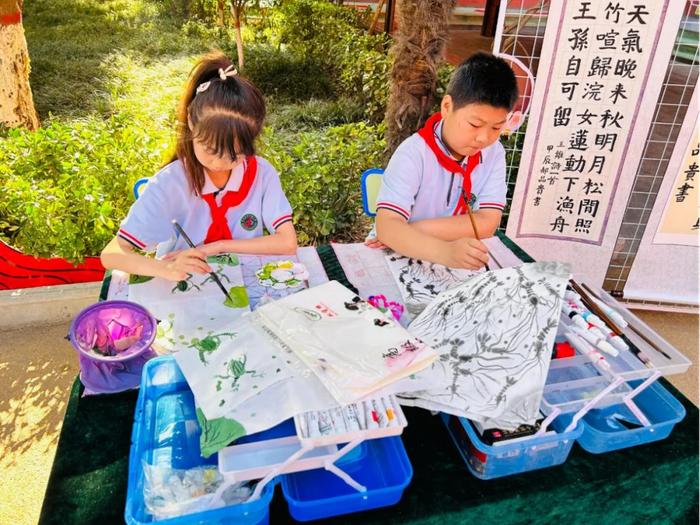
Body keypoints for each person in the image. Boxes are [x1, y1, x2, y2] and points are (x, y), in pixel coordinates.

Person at [101, 52, 297, 281]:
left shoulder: (262, 174)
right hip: (183, 289)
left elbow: (287, 241)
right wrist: (167, 269)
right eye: (212, 150)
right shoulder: (170, 183)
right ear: (192, 123)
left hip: (242, 285)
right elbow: (113, 254)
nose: (221, 163)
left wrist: (217, 247)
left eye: (235, 155)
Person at [367, 52, 518, 270]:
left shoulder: (493, 154)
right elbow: (387, 227)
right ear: (447, 107)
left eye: (496, 127)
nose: (484, 138)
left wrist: (410, 230)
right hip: (402, 256)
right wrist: (443, 251)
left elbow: (487, 223)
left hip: (453, 256)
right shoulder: (414, 154)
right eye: (475, 124)